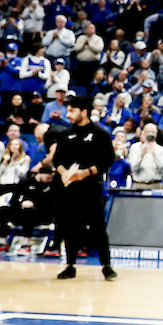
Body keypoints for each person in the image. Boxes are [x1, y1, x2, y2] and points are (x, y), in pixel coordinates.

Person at [52, 95, 116, 280]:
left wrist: (86, 172)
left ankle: (106, 266)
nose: (68, 114)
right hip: (69, 188)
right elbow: (57, 160)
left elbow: (108, 160)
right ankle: (70, 265)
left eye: (72, 111)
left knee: (97, 227)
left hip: (91, 187)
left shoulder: (100, 134)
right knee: (70, 227)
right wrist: (63, 171)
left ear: (84, 112)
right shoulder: (65, 134)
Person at [0, 164, 57, 253]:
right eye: (47, 178)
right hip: (22, 211)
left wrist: (34, 204)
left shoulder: (50, 186)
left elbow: (50, 205)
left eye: (51, 178)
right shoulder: (25, 182)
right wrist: (22, 203)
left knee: (29, 212)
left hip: (40, 214)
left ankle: (26, 243)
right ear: (40, 173)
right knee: (2, 210)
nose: (49, 180)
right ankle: (3, 242)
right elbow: (14, 200)